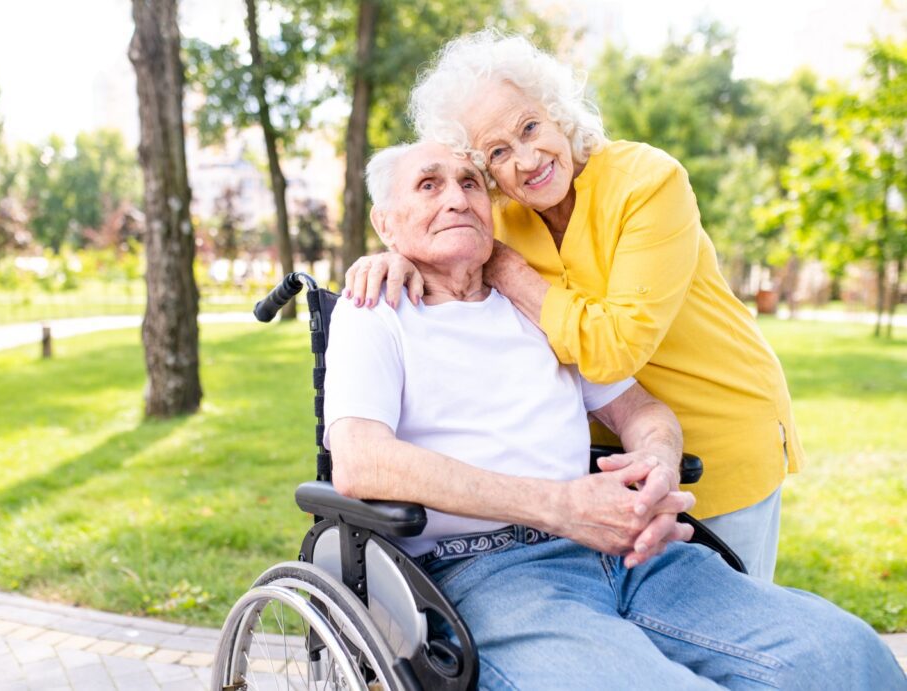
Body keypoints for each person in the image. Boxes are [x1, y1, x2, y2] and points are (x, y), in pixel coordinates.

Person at [324, 140, 905, 689]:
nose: (456, 198)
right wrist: (559, 507)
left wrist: (657, 464)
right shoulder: (375, 312)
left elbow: (644, 410)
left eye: (471, 183)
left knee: (845, 656)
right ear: (386, 224)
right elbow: (361, 462)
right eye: (429, 185)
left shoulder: (534, 305)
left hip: (626, 551)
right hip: (485, 574)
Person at [344, 32, 800, 580]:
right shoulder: (505, 216)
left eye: (531, 127)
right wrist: (400, 257)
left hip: (717, 427)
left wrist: (506, 269)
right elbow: (441, 231)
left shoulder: (647, 183)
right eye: (497, 154)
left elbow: (611, 352)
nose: (528, 160)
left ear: (558, 113)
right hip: (607, 460)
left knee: (728, 623)